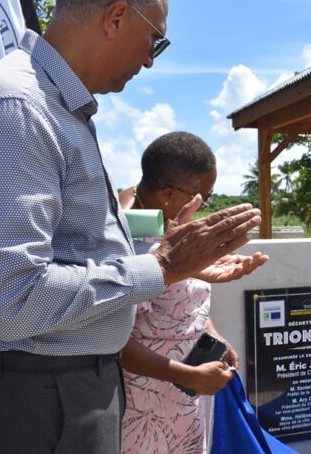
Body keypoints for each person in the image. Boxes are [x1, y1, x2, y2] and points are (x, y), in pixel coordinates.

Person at [0, 0, 264, 453]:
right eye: (155, 39)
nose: (150, 60)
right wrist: (161, 267)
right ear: (116, 17)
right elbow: (10, 300)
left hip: (65, 383)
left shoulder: (54, 106)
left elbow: (77, 246)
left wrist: (176, 265)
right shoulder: (16, 108)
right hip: (46, 390)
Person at [116, 131, 266, 453]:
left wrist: (213, 336)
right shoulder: (124, 244)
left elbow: (180, 303)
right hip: (144, 416)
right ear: (168, 194)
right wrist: (188, 376)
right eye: (203, 196)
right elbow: (115, 341)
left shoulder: (164, 224)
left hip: (183, 408)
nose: (206, 205)